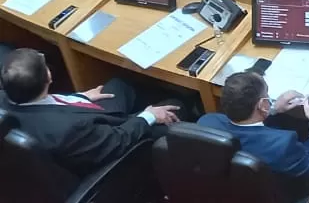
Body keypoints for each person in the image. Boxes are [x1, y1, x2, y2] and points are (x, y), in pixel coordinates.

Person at [1, 47, 179, 177]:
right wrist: (148, 116)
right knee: (174, 107)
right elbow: (119, 141)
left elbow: (43, 104)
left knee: (119, 84)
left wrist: (78, 98)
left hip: (83, 121)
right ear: (48, 76)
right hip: (113, 143)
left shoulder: (8, 97)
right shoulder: (70, 130)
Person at [197, 72, 309, 179]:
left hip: (233, 187)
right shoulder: (283, 145)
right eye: (267, 96)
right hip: (287, 188)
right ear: (262, 104)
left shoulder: (206, 122)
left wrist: (272, 109)